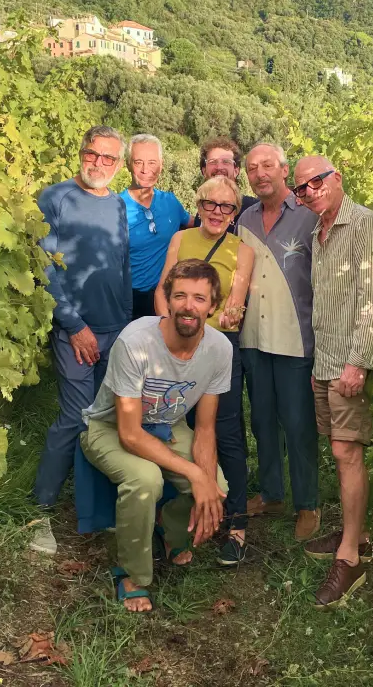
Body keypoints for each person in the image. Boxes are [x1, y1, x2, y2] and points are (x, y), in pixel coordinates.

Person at [81, 259, 233, 612]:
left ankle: (171, 528)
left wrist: (206, 479)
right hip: (109, 427)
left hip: (167, 425)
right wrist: (193, 472)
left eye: (199, 298)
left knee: (218, 485)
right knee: (146, 479)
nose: (188, 306)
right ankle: (132, 572)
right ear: (166, 300)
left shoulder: (220, 349)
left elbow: (206, 428)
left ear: (213, 306)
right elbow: (130, 433)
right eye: (179, 295)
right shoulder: (136, 341)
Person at [293, 155, 373, 608]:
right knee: (338, 448)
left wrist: (359, 363)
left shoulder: (365, 224)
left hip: (349, 362)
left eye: (316, 182)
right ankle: (357, 531)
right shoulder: (318, 232)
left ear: (338, 179)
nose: (309, 191)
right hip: (325, 360)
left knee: (346, 451)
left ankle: (351, 557)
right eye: (301, 188)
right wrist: (322, 362)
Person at [32, 125, 132, 554]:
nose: (99, 164)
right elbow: (44, 269)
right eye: (93, 154)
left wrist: (126, 322)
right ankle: (41, 510)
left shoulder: (117, 205)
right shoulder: (54, 198)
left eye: (109, 158)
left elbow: (122, 265)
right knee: (75, 418)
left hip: (115, 330)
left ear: (118, 165)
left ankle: (94, 511)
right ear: (81, 153)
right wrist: (73, 326)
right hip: (76, 331)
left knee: (106, 422)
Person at [155, 176, 255, 566]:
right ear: (198, 205)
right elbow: (164, 291)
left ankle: (236, 524)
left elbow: (234, 306)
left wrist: (222, 316)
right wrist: (166, 335)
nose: (217, 212)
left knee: (226, 433)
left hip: (216, 350)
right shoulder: (181, 240)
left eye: (226, 207)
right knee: (175, 429)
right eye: (210, 204)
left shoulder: (242, 251)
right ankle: (179, 522)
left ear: (234, 214)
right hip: (175, 345)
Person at [236, 142, 321, 541]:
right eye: (252, 168)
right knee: (264, 422)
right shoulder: (245, 218)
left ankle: (308, 504)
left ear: (284, 170)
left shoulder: (308, 217)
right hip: (254, 338)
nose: (260, 174)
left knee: (299, 425)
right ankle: (272, 495)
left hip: (295, 339)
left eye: (267, 165)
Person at [121, 134, 191, 320]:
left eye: (152, 162)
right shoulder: (116, 207)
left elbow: (197, 226)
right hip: (129, 301)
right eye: (138, 162)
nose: (146, 169)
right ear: (128, 164)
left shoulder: (170, 202)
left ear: (161, 165)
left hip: (167, 297)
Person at [196, 137, 258, 234]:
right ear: (204, 171)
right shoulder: (203, 209)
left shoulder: (253, 209)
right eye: (213, 162)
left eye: (226, 162)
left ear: (236, 171)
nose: (219, 167)